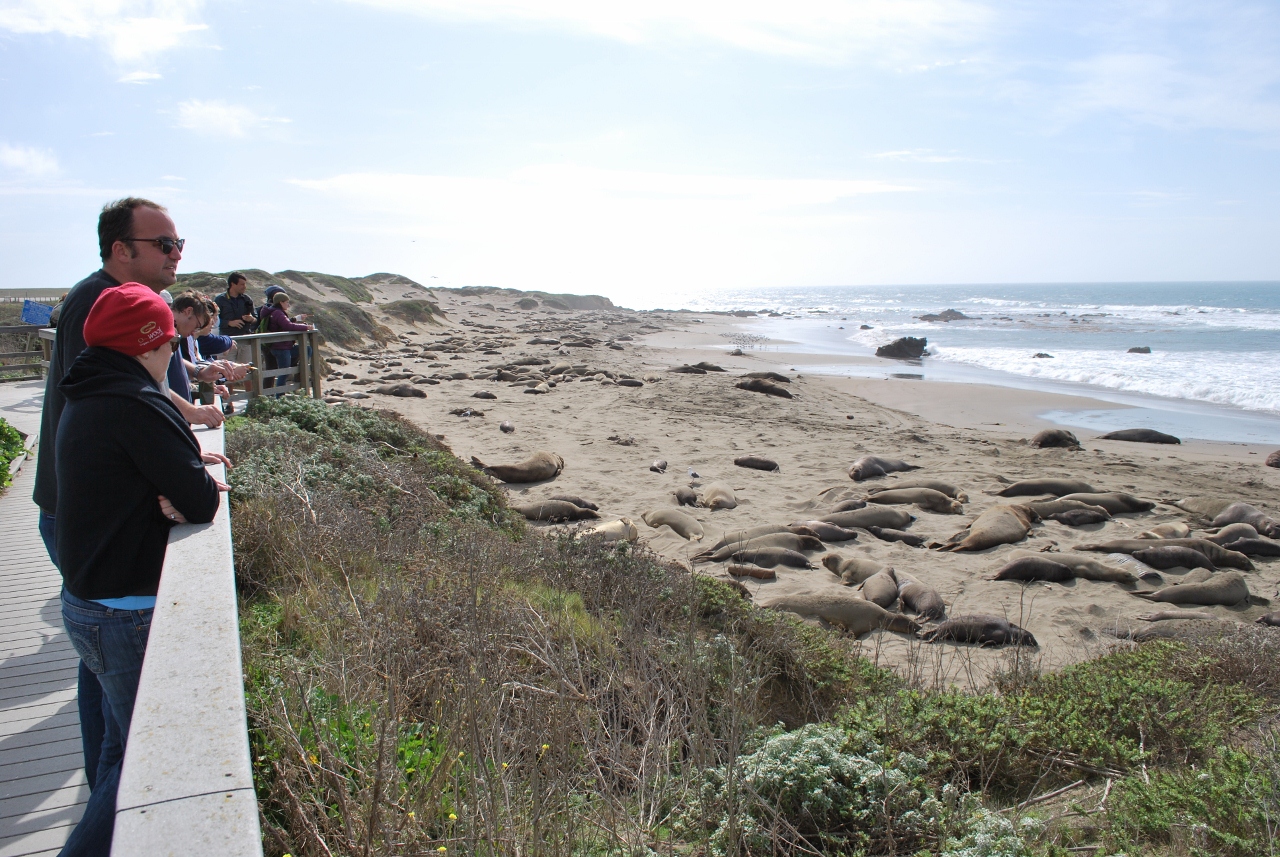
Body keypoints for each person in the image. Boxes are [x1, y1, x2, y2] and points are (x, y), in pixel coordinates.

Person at [32, 197, 225, 792]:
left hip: (94, 522)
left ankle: (106, 793)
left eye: (178, 242)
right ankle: (109, 810)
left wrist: (175, 452)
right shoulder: (102, 305)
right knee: (133, 745)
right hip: (87, 518)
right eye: (164, 244)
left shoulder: (116, 310)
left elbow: (116, 400)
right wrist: (162, 485)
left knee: (117, 718)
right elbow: (122, 401)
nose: (177, 254)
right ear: (122, 249)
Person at [55, 282, 224, 856]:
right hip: (125, 613)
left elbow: (153, 474)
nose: (176, 354)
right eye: (172, 342)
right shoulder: (135, 404)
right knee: (141, 766)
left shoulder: (89, 389)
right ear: (148, 343)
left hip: (86, 603)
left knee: (116, 749)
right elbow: (201, 501)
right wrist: (178, 485)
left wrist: (170, 477)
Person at [262, 292, 312, 391]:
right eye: (287, 302)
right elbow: (287, 326)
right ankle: (279, 397)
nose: (288, 305)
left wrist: (297, 319)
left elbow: (285, 323)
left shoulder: (275, 312)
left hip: (283, 346)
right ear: (281, 302)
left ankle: (300, 371)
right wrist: (306, 327)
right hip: (281, 348)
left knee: (307, 349)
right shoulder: (278, 313)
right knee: (284, 373)